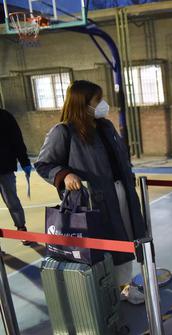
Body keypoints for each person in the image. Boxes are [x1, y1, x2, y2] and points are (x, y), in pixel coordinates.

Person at [35, 80, 145, 305]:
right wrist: (64, 175)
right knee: (101, 248)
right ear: (82, 104)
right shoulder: (63, 131)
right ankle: (103, 292)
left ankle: (126, 286)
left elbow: (120, 158)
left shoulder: (106, 127)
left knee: (125, 239)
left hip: (120, 193)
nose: (103, 104)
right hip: (93, 201)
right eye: (97, 100)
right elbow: (44, 163)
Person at [0, 108, 36, 246]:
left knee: (12, 201)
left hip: (4, 169)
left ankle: (21, 229)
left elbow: (17, 140)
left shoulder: (5, 116)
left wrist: (25, 162)